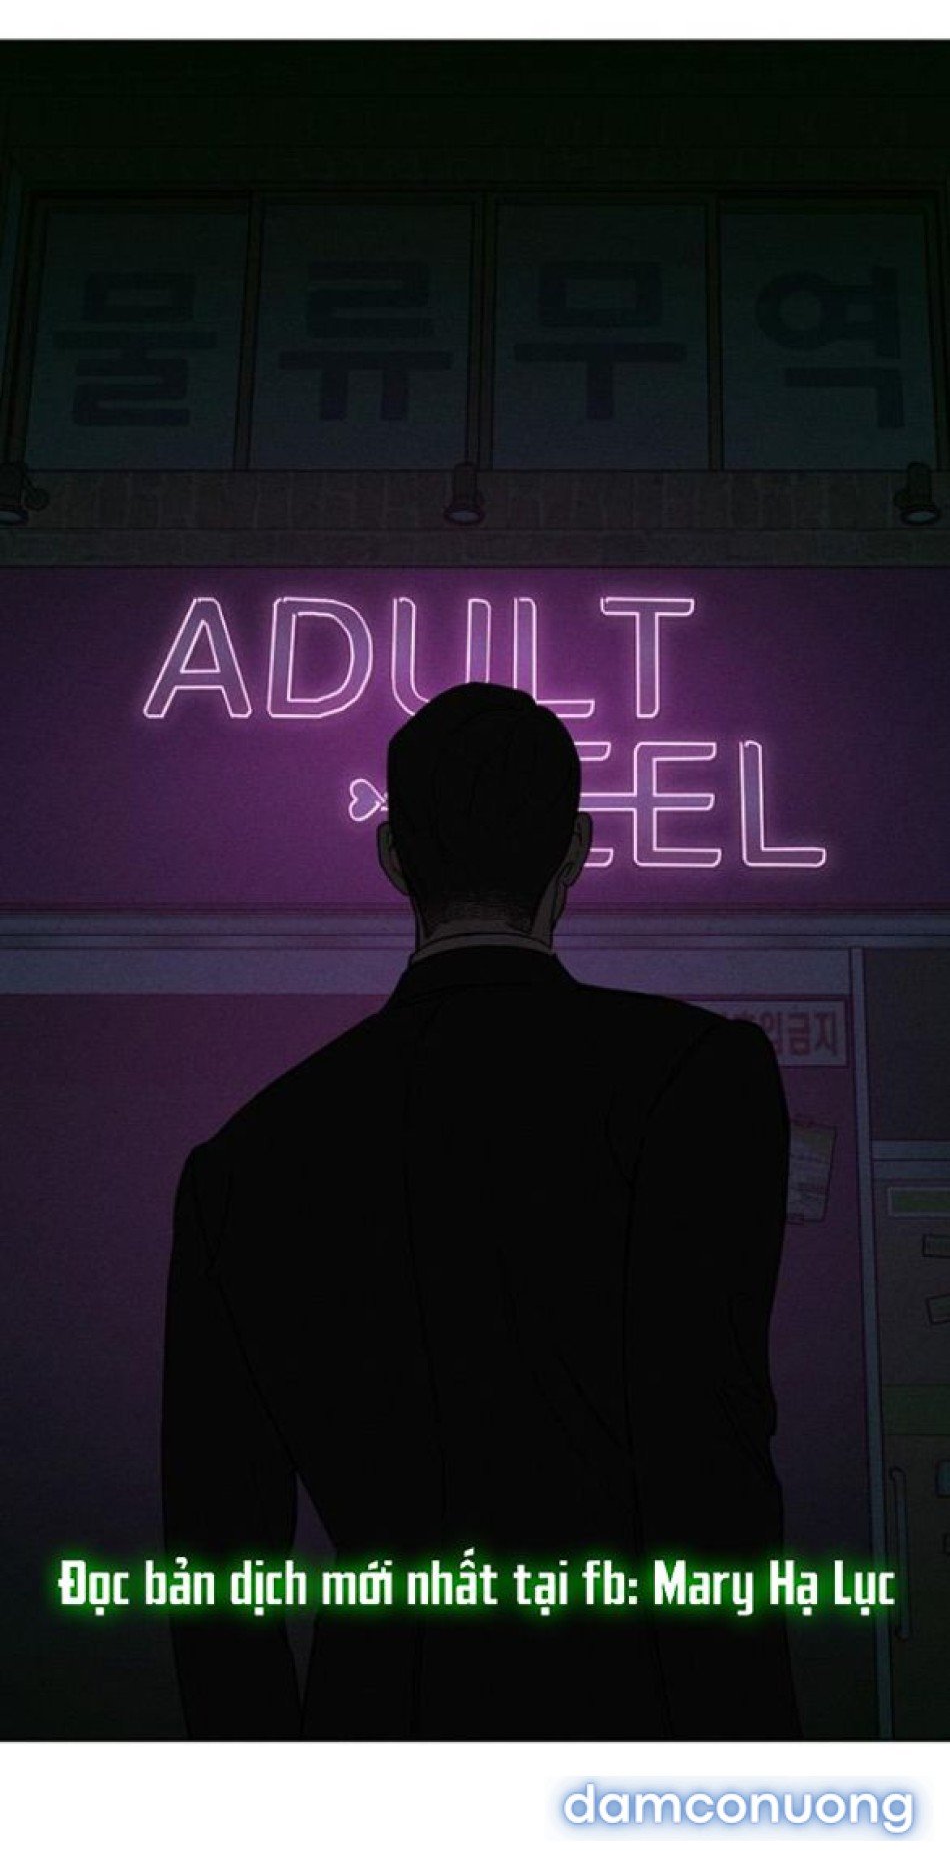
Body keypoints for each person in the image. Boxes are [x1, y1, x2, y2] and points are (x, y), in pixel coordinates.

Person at [161, 681, 801, 1741]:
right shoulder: (695, 1079)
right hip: (638, 1722)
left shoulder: (245, 1161)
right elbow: (713, 1471)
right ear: (576, 849)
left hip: (378, 1732)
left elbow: (217, 1567)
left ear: (392, 857)